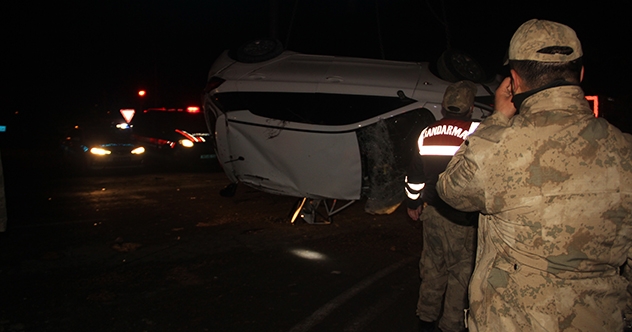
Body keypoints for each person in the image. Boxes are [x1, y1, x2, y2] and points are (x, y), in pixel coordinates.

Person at [436, 18, 632, 332]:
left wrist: (497, 117)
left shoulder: (500, 148)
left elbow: (451, 189)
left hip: (512, 320)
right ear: (580, 74)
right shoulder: (625, 151)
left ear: (513, 80)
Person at [405, 80, 480, 332]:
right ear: (470, 108)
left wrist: (413, 203)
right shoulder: (480, 133)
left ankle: (425, 320)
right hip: (465, 219)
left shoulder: (427, 133)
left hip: (433, 213)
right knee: (461, 274)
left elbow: (414, 174)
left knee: (432, 268)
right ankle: (451, 326)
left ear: (443, 107)